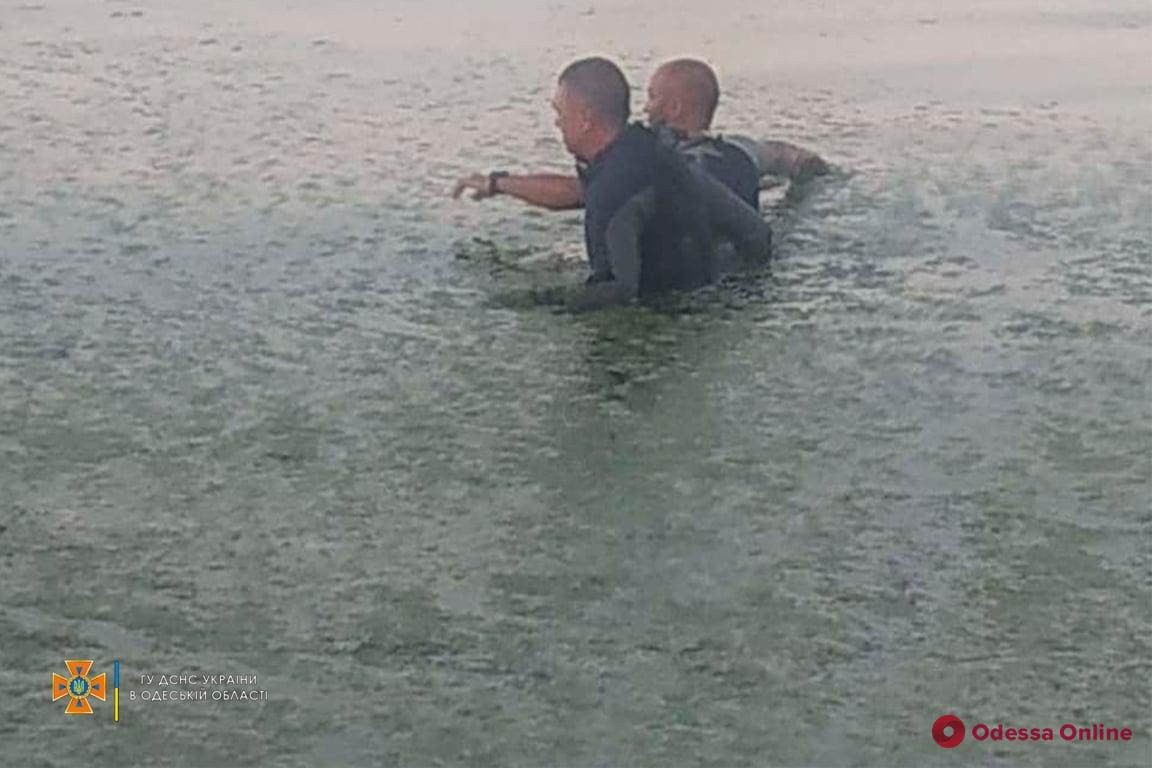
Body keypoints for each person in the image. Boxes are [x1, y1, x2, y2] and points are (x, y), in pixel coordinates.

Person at [456, 57, 772, 311]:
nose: (556, 122)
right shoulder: (656, 151)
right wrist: (498, 183)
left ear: (585, 118)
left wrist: (529, 302)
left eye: (559, 112)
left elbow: (620, 291)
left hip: (669, 326)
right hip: (712, 295)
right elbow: (757, 232)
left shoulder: (612, 197)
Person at [452, 58, 828, 211]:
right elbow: (786, 156)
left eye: (652, 97)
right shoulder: (738, 150)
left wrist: (499, 183)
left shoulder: (654, 163)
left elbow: (584, 193)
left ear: (676, 109)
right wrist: (819, 173)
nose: (645, 108)